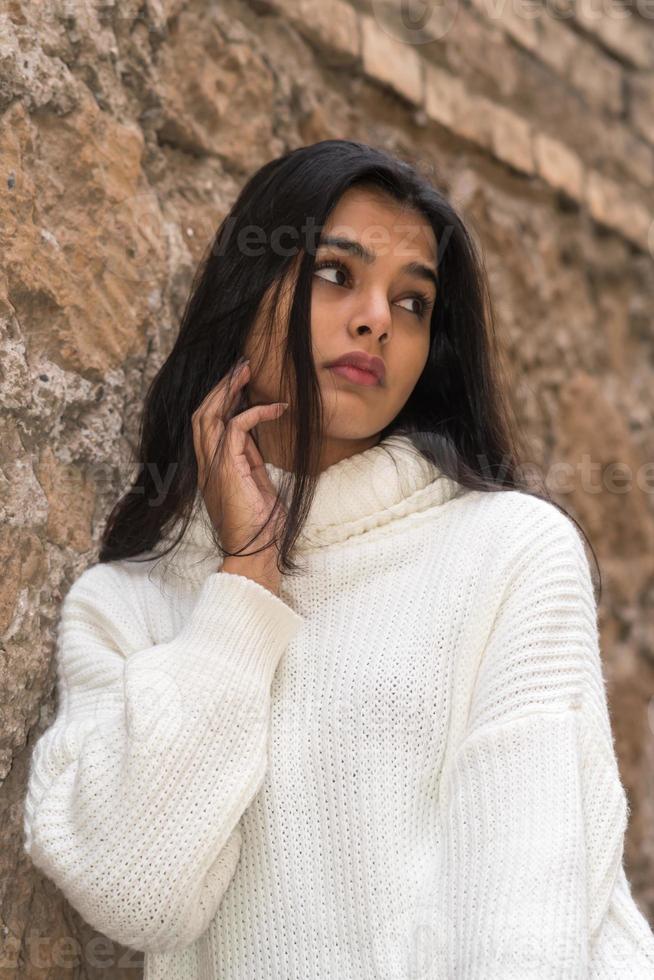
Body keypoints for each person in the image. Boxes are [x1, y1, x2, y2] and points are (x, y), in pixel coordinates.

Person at [23, 140, 654, 978]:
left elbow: (525, 911)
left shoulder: (507, 550)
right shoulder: (127, 606)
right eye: (335, 274)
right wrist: (246, 577)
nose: (376, 321)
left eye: (414, 302)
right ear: (248, 294)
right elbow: (140, 895)